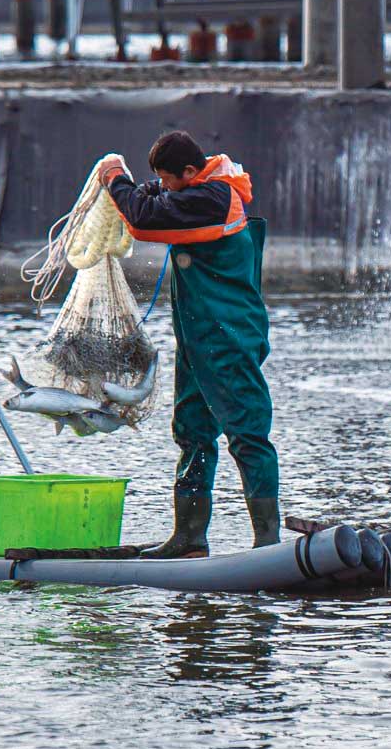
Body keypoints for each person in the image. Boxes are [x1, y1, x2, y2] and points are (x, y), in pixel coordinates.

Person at [97, 130, 279, 557]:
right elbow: (154, 200)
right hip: (199, 341)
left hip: (230, 338)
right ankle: (190, 538)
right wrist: (143, 184)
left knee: (248, 434)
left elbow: (142, 218)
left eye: (169, 178)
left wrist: (113, 177)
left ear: (191, 172)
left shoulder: (211, 200)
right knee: (192, 432)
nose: (164, 186)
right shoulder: (199, 188)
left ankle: (268, 545)